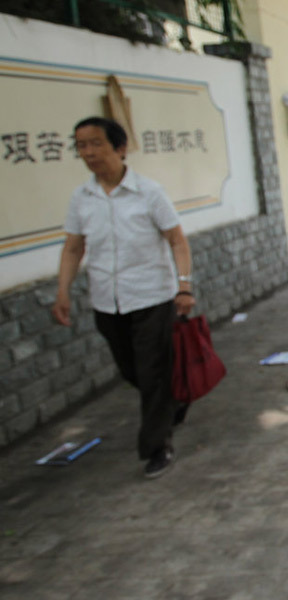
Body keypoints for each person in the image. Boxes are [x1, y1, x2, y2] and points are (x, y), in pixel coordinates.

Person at [52, 116, 196, 479]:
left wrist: (184, 286)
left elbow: (177, 240)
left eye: (95, 143)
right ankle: (175, 401)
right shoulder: (81, 198)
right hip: (107, 300)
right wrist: (63, 291)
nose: (88, 152)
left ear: (119, 148)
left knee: (152, 372)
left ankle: (157, 445)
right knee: (132, 370)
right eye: (81, 145)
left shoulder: (149, 192)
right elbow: (73, 248)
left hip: (151, 297)